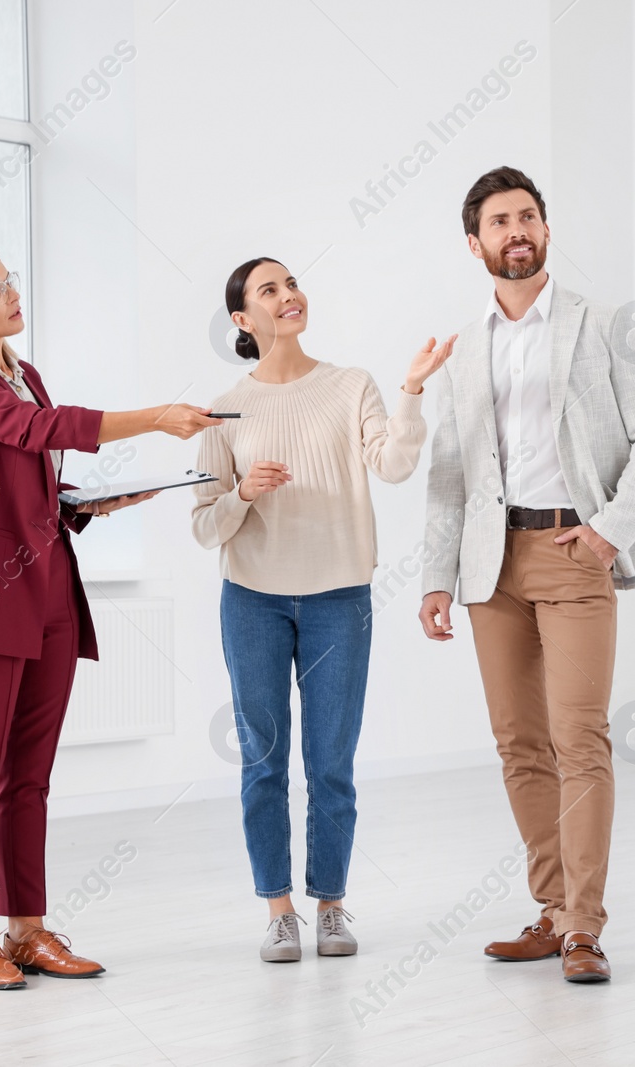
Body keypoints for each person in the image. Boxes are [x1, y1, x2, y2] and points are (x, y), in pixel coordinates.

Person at [0, 245, 221, 990]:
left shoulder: (24, 373)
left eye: (12, 280)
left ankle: (26, 929)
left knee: (31, 776)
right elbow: (33, 434)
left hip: (50, 588)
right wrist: (154, 418)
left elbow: (27, 478)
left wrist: (86, 504)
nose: (13, 294)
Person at [417, 167, 635, 983]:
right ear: (476, 243)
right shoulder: (464, 351)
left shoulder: (599, 325)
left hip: (573, 553)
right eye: (499, 221)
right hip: (491, 565)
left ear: (546, 230)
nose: (516, 230)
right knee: (520, 744)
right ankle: (551, 908)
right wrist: (434, 576)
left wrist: (608, 532)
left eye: (528, 216)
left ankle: (586, 928)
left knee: (580, 738)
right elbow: (449, 473)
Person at [192, 256, 454, 962]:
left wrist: (410, 391)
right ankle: (278, 909)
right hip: (252, 601)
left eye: (292, 283)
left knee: (331, 761)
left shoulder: (349, 386)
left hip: (340, 597)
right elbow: (203, 525)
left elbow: (393, 464)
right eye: (269, 290)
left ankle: (331, 903)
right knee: (264, 759)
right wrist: (244, 492)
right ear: (243, 320)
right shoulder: (224, 409)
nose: (289, 296)